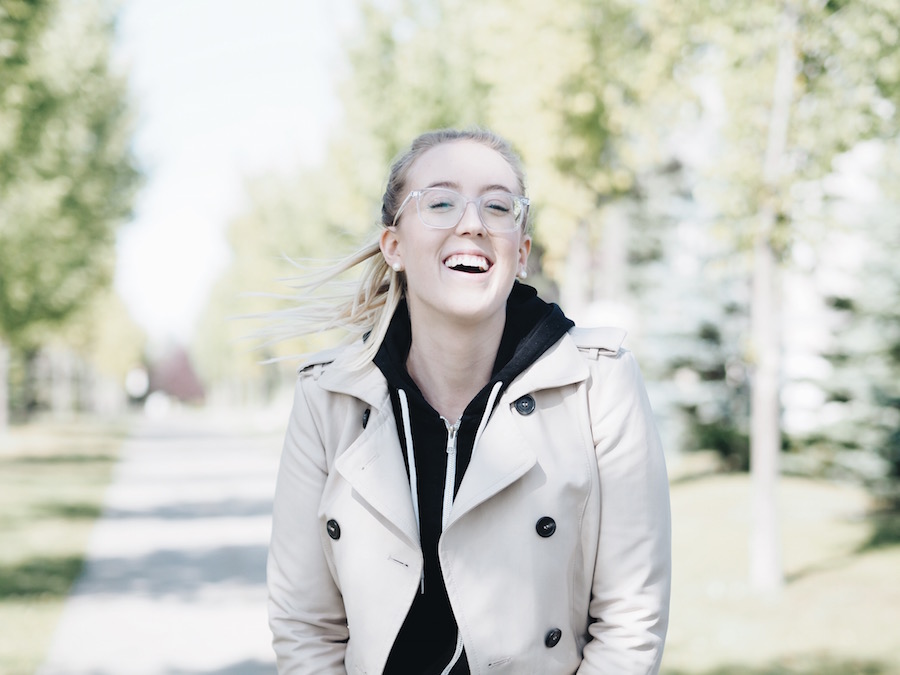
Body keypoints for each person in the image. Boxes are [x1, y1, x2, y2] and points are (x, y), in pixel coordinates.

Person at [267, 128, 671, 675]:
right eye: (440, 202)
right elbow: (305, 627)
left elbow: (630, 619)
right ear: (396, 246)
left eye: (499, 206)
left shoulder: (599, 382)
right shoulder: (328, 397)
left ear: (521, 252)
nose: (473, 222)